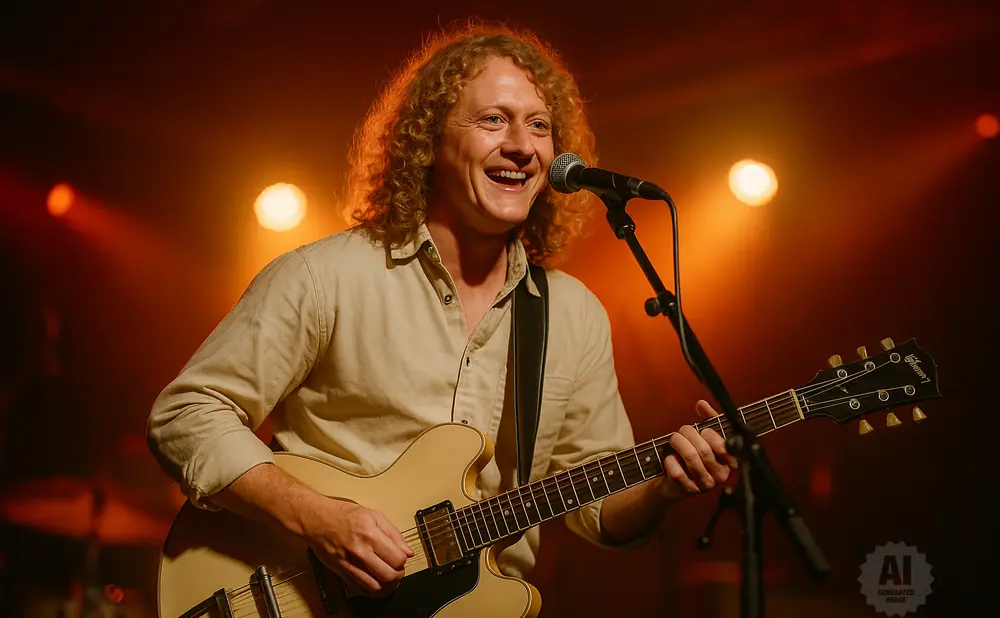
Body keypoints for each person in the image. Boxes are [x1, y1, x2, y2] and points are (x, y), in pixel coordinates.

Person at [146, 21, 733, 600]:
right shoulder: (326, 277)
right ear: (427, 141)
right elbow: (187, 415)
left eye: (539, 125)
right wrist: (318, 519)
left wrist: (663, 488)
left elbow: (599, 509)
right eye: (493, 119)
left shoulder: (573, 316)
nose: (522, 145)